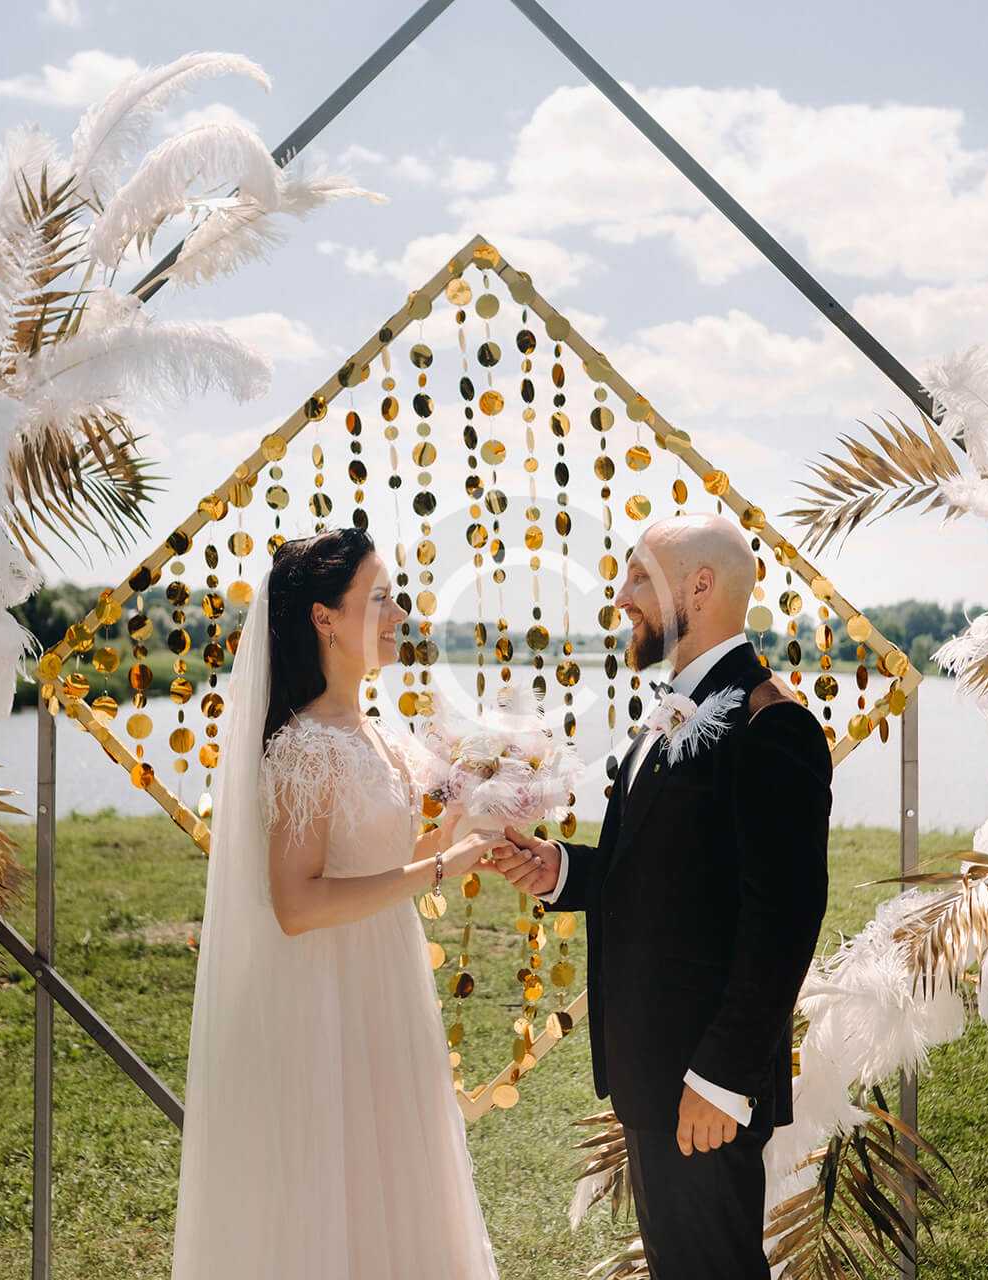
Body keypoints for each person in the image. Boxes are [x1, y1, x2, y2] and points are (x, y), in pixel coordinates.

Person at [488, 514, 833, 1280]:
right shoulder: (677, 705)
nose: (621, 597)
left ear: (699, 587)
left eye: (640, 576)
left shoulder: (770, 723)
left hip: (702, 1083)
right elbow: (666, 873)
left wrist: (722, 1078)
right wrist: (562, 872)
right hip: (655, 1075)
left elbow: (784, 919)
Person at [170, 527, 502, 1279]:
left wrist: (470, 817)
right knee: (336, 1197)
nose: (399, 615)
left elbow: (387, 864)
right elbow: (297, 905)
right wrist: (440, 867)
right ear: (325, 618)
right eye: (379, 598)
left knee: (398, 1188)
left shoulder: (378, 737)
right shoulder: (305, 747)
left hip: (388, 990)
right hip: (326, 1002)